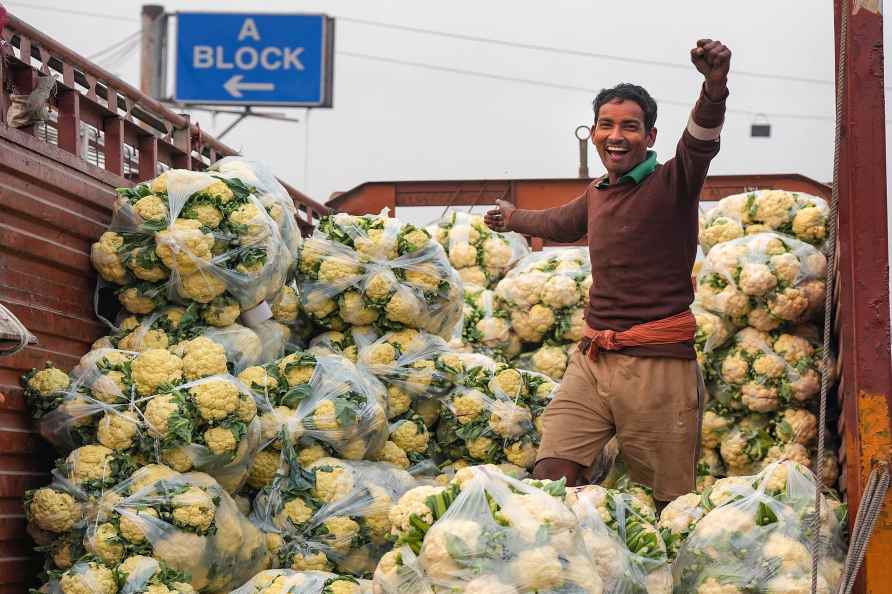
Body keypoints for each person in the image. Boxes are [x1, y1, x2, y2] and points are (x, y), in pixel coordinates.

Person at [485, 39, 731, 507]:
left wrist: (713, 86)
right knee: (553, 472)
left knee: (665, 502)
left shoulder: (672, 183)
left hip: (657, 364)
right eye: (606, 125)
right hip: (594, 357)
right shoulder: (599, 190)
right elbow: (560, 222)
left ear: (651, 137)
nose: (616, 136)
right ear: (593, 132)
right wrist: (513, 217)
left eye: (630, 127)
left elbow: (701, 141)